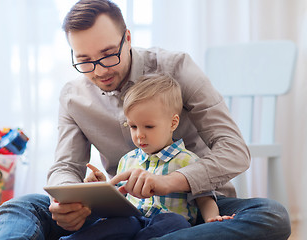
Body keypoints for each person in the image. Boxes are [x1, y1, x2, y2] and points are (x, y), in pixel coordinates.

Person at [0, 0, 291, 239]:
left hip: (194, 207)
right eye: (84, 60)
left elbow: (234, 149)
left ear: (128, 39)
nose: (99, 70)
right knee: (20, 207)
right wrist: (71, 200)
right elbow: (65, 167)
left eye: (108, 54)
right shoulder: (73, 96)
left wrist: (170, 182)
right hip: (121, 213)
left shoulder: (177, 67)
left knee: (271, 215)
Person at [60, 74, 235, 240]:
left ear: (173, 123)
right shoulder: (127, 160)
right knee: (121, 224)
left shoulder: (188, 161)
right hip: (133, 221)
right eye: (133, 126)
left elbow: (205, 199)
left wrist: (214, 221)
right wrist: (101, 187)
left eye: (149, 127)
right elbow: (119, 202)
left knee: (176, 222)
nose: (139, 135)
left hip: (166, 223)